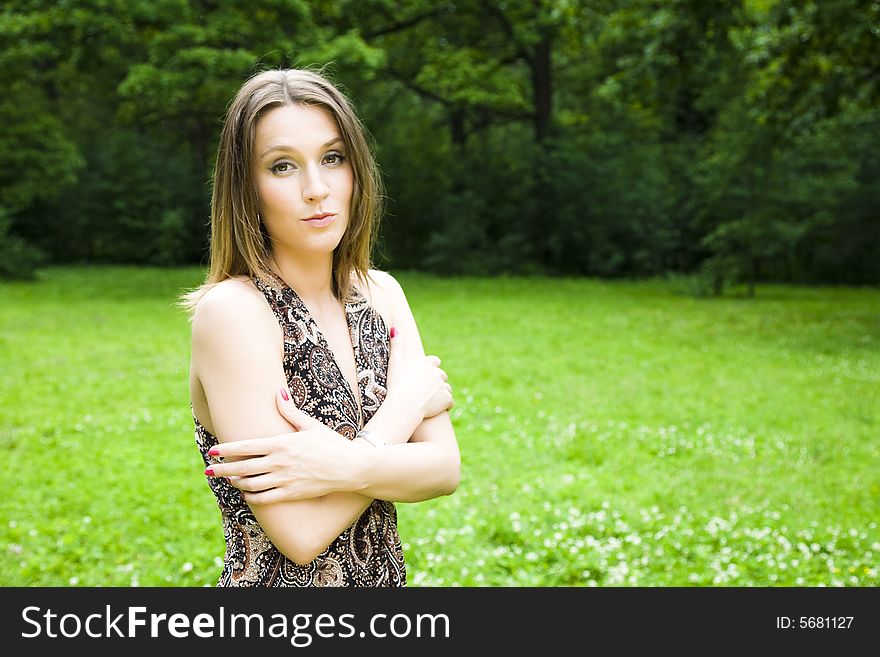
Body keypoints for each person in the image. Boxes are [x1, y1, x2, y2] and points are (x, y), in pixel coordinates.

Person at [181, 68, 460, 587]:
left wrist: (338, 465)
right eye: (282, 166)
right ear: (246, 188)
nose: (316, 189)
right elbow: (300, 534)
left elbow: (444, 470)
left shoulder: (382, 294)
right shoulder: (235, 313)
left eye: (333, 158)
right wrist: (401, 412)